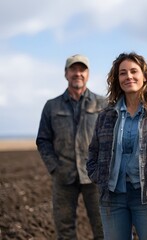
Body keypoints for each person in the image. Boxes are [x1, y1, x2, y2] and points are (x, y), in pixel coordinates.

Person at [86, 52, 147, 240]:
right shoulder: (106, 115)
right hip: (112, 197)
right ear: (117, 79)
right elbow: (93, 151)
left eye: (134, 71)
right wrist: (97, 175)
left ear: (144, 76)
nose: (129, 77)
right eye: (123, 73)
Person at [36, 54, 105, 239]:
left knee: (103, 229)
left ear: (88, 74)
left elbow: (111, 139)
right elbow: (43, 140)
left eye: (82, 69)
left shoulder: (103, 104)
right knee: (65, 231)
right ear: (66, 74)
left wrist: (103, 167)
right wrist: (54, 167)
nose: (78, 73)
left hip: (94, 177)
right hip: (63, 177)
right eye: (73, 69)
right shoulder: (51, 106)